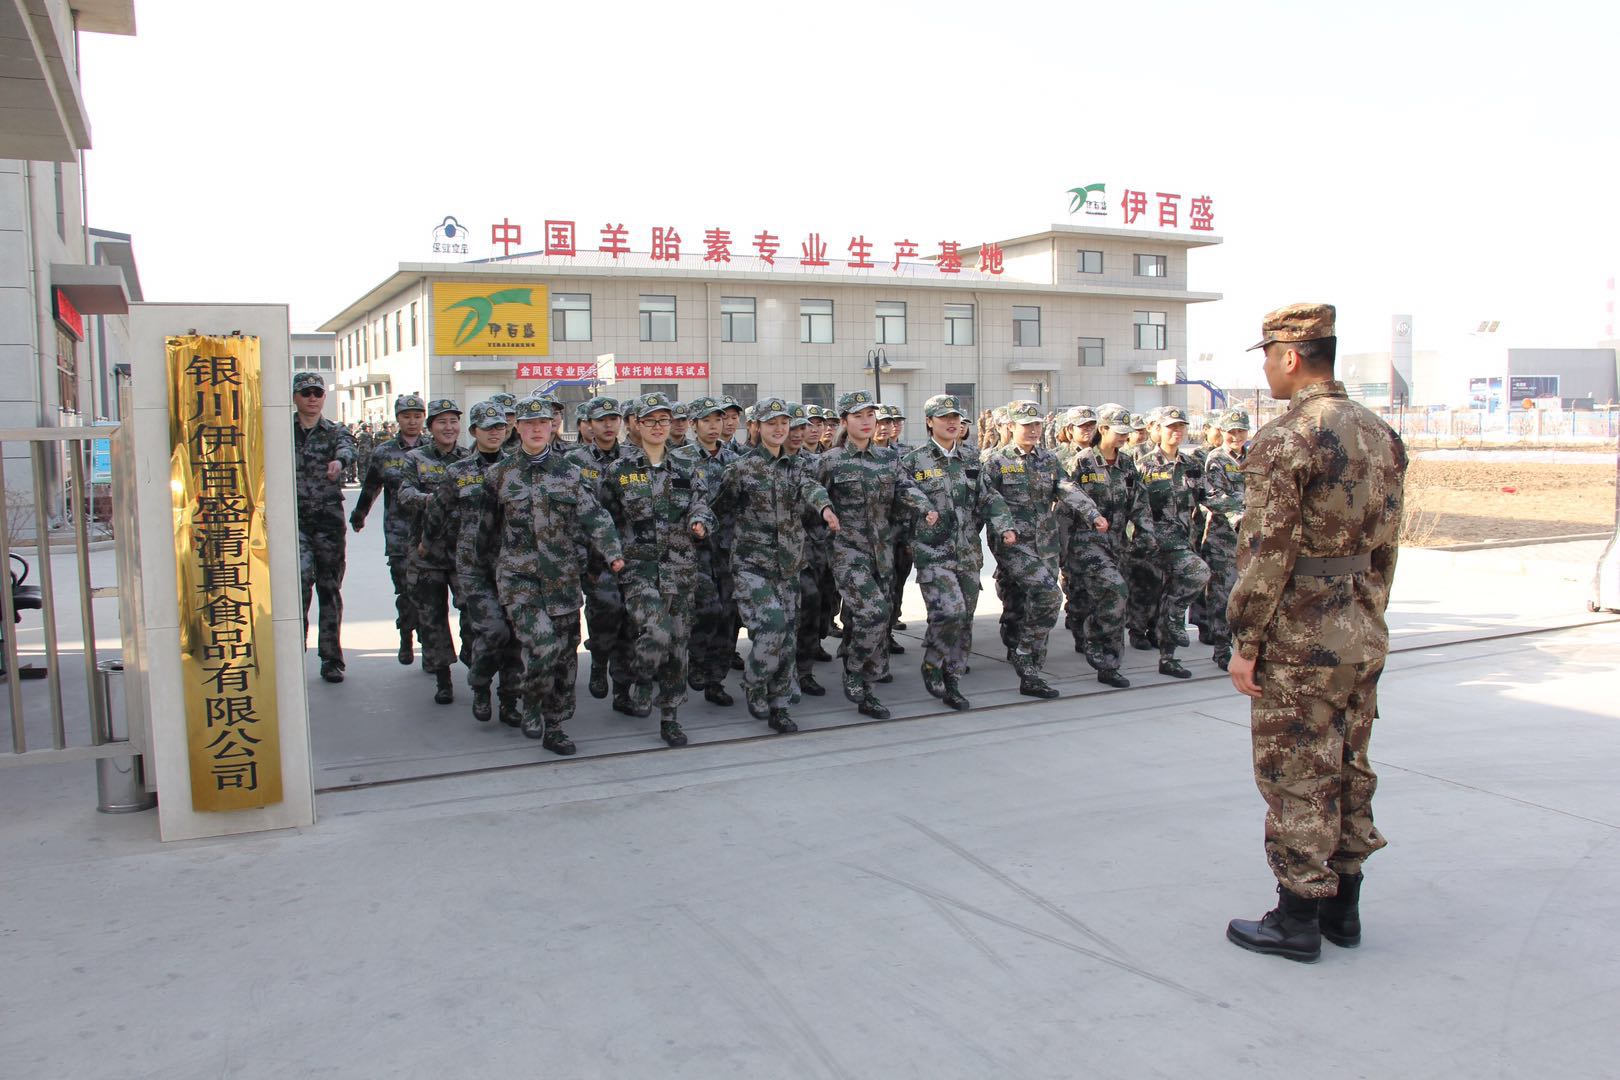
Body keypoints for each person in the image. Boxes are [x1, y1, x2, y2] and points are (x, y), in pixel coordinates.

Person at [1225, 303, 1408, 963]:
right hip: (1360, 627)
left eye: (1269, 356)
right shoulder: (1378, 432)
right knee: (1350, 764)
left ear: (1292, 356)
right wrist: (1369, 612)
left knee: (1298, 771)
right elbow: (1388, 539)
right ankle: (1344, 908)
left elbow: (1266, 553)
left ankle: (1297, 917)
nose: (1269, 369)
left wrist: (1246, 641)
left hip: (1300, 637)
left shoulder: (1287, 437)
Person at [475, 396, 625, 753]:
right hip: (519, 579)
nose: (537, 429)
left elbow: (596, 516)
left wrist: (613, 553)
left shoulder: (568, 471)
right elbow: (487, 530)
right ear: (518, 429)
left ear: (552, 426)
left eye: (543, 423)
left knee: (564, 655)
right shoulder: (499, 476)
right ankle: (531, 702)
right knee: (542, 644)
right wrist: (487, 573)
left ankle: (555, 724)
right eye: (529, 424)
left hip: (562, 579)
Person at [598, 393, 715, 748]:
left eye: (664, 421)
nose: (659, 427)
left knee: (679, 646)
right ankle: (643, 677)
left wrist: (699, 522)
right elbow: (603, 517)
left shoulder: (686, 465)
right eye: (651, 421)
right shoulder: (619, 470)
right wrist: (610, 553)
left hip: (681, 569)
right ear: (636, 424)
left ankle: (670, 717)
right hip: (639, 569)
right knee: (657, 633)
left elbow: (702, 504)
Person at [717, 397, 840, 732]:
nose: (779, 429)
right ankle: (755, 683)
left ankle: (780, 704)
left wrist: (826, 508)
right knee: (771, 628)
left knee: (787, 637)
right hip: (751, 566)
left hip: (788, 566)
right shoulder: (740, 469)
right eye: (771, 423)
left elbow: (812, 489)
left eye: (783, 423)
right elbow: (719, 508)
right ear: (756, 427)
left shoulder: (800, 466)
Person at [816, 391, 936, 719]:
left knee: (871, 620)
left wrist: (923, 504)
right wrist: (825, 520)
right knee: (873, 611)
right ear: (844, 422)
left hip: (882, 551)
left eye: (871, 415)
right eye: (858, 416)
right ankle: (857, 675)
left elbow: (904, 487)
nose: (866, 421)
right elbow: (811, 497)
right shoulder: (831, 461)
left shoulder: (887, 459)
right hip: (846, 551)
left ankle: (865, 670)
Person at [983, 401, 1106, 699]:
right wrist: (1004, 526)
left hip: (1046, 542)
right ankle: (1025, 654)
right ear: (1011, 426)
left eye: (1037, 424)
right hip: (1014, 544)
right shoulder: (995, 461)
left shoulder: (1048, 459)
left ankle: (1032, 670)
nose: (1033, 430)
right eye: (1027, 425)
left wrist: (1092, 513)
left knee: (1037, 601)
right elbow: (990, 498)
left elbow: (1066, 487)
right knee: (1049, 594)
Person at [902, 394, 1014, 710]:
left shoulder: (972, 459)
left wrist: (1004, 524)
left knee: (964, 622)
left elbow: (989, 498)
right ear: (929, 422)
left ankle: (952, 682)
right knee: (948, 613)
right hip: (933, 553)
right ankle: (932, 660)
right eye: (944, 418)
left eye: (956, 418)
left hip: (967, 553)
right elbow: (901, 503)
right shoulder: (914, 461)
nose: (952, 423)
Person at [436, 401, 524, 726]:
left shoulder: (517, 468)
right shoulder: (457, 472)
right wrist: (432, 551)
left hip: (513, 565)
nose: (494, 433)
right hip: (474, 567)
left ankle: (510, 699)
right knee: (494, 631)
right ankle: (481, 684)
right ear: (474, 432)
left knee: (515, 635)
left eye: (499, 427)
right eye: (487, 428)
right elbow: (438, 515)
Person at [1067, 406, 1156, 687]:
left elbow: (1139, 503)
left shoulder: (1127, 464)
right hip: (1087, 544)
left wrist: (1145, 533)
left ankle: (1107, 656)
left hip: (1118, 544)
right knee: (1115, 591)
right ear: (1102, 429)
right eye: (1118, 433)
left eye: (1126, 434)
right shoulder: (1081, 463)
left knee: (1117, 599)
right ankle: (1100, 648)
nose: (1123, 438)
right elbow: (1066, 505)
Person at [398, 398, 470, 705]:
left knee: (473, 613)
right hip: (426, 553)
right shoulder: (415, 458)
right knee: (432, 618)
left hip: (465, 553)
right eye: (442, 422)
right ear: (431, 428)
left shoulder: (470, 458)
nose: (449, 427)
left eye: (454, 421)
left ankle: (473, 658)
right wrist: (435, 499)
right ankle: (443, 679)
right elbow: (404, 493)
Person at [1129, 405, 1209, 679]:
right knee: (1146, 597)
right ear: (1157, 430)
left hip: (1179, 544)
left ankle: (1168, 656)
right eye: (1170, 427)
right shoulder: (1141, 464)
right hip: (1148, 544)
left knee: (1189, 582)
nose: (1176, 431)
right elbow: (1128, 504)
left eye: (1181, 426)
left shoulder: (1191, 466)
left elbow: (1210, 497)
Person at [351, 393, 428, 665]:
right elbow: (371, 487)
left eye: (417, 416)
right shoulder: (384, 452)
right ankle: (407, 633)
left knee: (428, 590)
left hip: (429, 533)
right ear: (397, 419)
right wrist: (359, 514)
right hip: (398, 532)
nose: (412, 421)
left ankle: (429, 642)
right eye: (406, 416)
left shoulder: (432, 448)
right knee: (405, 589)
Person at [566, 397, 632, 708]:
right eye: (601, 420)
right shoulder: (574, 461)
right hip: (592, 553)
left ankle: (622, 689)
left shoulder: (634, 457)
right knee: (603, 611)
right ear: (588, 425)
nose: (608, 425)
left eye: (613, 419)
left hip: (629, 551)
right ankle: (599, 662)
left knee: (629, 619)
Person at [292, 372, 355, 683]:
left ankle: (331, 658)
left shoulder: (334, 431)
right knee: (300, 585)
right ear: (295, 397)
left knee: (329, 589)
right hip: (295, 522)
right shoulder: (282, 431)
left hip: (328, 522)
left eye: (318, 393)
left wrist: (339, 463)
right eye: (306, 393)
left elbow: (348, 448)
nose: (313, 398)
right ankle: (292, 655)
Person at [1201, 408, 1250, 669]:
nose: (1236, 436)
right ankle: (1221, 649)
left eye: (1241, 431)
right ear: (1222, 433)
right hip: (1223, 540)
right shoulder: (1216, 459)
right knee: (1222, 596)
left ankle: (1243, 646)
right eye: (1232, 432)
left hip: (1250, 541)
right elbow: (1212, 495)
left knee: (1246, 597)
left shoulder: (1253, 458)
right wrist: (1238, 515)